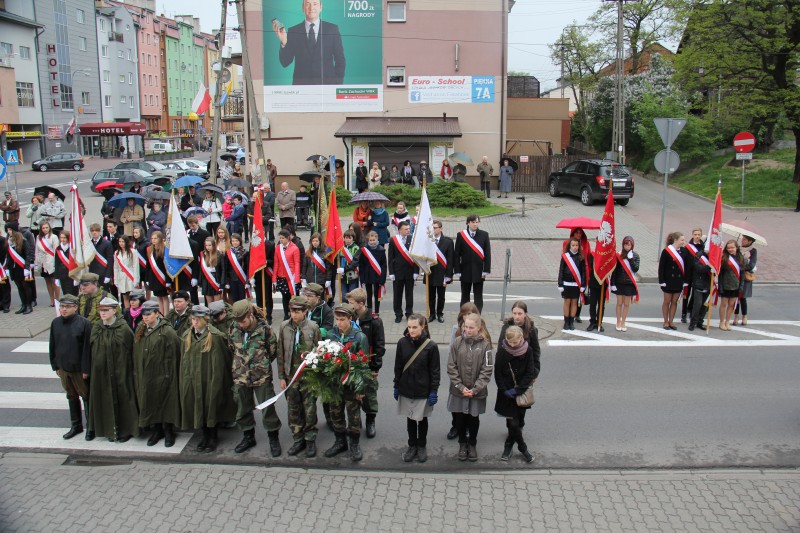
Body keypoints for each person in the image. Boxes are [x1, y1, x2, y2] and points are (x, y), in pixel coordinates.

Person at [228, 300, 283, 457]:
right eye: (238, 321)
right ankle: (248, 437)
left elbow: (272, 351)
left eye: (243, 321)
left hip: (261, 377)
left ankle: (273, 438)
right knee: (243, 407)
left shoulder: (264, 329)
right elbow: (231, 347)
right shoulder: (233, 327)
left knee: (267, 407)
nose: (241, 325)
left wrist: (260, 365)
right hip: (240, 376)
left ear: (250, 315)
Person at [180, 304, 236, 452]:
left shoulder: (216, 337)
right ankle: (204, 436)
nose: (195, 322)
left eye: (198, 320)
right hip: (194, 379)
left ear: (206, 320)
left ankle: (213, 437)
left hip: (210, 378)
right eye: (193, 319)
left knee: (211, 407)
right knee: (198, 407)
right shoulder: (187, 336)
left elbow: (222, 362)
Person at [88, 297, 139, 442]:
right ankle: (109, 430)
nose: (103, 313)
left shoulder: (123, 328)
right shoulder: (97, 328)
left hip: (121, 370)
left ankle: (126, 430)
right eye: (101, 310)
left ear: (114, 310)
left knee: (124, 399)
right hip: (102, 372)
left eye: (106, 310)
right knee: (104, 400)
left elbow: (132, 350)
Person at [277, 295, 322, 457]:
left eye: (297, 311)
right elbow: (280, 352)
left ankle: (310, 439)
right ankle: (298, 438)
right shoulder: (284, 327)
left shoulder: (313, 328)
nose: (294, 315)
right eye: (292, 311)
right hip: (291, 376)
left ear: (305, 311)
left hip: (308, 377)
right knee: (293, 409)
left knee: (309, 409)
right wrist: (281, 376)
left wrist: (317, 377)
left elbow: (319, 352)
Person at [133, 300, 181, 448]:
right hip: (147, 373)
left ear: (157, 314)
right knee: (150, 401)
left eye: (149, 314)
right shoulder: (141, 329)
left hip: (164, 373)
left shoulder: (167, 331)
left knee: (166, 402)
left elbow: (175, 353)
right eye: (143, 314)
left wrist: (169, 373)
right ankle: (157, 430)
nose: (145, 317)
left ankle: (168, 431)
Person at [324, 303, 369, 461]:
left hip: (351, 385)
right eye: (337, 319)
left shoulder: (359, 337)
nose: (339, 323)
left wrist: (360, 389)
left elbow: (364, 365)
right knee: (335, 414)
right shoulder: (331, 335)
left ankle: (354, 444)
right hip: (335, 385)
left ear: (350, 319)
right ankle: (340, 442)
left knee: (353, 416)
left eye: (342, 319)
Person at [447, 312, 493, 462]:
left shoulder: (486, 345)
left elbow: (487, 369)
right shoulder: (457, 343)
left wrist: (475, 389)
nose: (467, 330)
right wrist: (460, 387)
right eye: (465, 327)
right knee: (460, 419)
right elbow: (451, 366)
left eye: (471, 327)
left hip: (476, 392)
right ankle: (462, 444)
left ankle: (472, 444)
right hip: (459, 391)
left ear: (479, 328)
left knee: (474, 418)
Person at [394, 313, 439, 463]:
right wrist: (396, 385)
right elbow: (398, 367)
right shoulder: (402, 343)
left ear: (422, 326)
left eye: (415, 327)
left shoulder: (431, 346)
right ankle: (412, 445)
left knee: (422, 420)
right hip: (406, 388)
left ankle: (422, 446)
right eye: (409, 327)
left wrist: (433, 391)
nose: (411, 330)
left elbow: (435, 371)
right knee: (410, 419)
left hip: (423, 390)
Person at [49, 294, 93, 440]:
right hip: (63, 368)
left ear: (75, 307)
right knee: (71, 396)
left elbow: (87, 349)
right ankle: (76, 425)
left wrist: (86, 369)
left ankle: (91, 427)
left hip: (79, 369)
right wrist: (55, 365)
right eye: (62, 306)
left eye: (67, 307)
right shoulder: (55, 323)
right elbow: (52, 345)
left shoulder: (84, 324)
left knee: (86, 396)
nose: (64, 309)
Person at [272, 0, 346, 85]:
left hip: (326, 86)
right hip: (301, 87)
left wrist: (336, 84)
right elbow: (285, 62)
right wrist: (284, 41)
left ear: (321, 7)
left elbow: (340, 60)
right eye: (308, 4)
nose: (311, 8)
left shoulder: (332, 29)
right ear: (303, 8)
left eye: (315, 4)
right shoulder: (293, 31)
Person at [493, 325, 539, 463]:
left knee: (518, 422)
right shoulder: (502, 352)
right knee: (512, 424)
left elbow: (529, 373)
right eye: (510, 342)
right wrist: (504, 390)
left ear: (521, 338)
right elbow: (498, 374)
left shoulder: (528, 350)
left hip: (521, 392)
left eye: (515, 342)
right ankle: (521, 448)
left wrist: (517, 390)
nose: (512, 345)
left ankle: (510, 442)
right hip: (507, 393)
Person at [453, 214, 491, 312]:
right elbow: (457, 254)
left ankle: (477, 315)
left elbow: (487, 253)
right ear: (468, 223)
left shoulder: (484, 235)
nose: (475, 224)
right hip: (465, 270)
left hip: (479, 271)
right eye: (473, 222)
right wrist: (457, 270)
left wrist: (486, 269)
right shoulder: (461, 235)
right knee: (465, 296)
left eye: (477, 222)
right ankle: (464, 314)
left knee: (478, 296)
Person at [658, 232, 690, 330]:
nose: (683, 242)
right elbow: (661, 267)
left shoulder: (684, 251)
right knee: (667, 301)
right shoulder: (666, 251)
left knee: (674, 302)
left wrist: (686, 280)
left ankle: (671, 321)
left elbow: (687, 266)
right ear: (676, 240)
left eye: (684, 240)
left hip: (678, 281)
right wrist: (662, 281)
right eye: (682, 240)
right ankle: (665, 321)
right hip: (668, 280)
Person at [388, 220, 418, 323]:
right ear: (400, 230)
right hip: (398, 272)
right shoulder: (393, 240)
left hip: (410, 272)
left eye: (409, 229)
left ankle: (409, 313)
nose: (408, 231)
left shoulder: (412, 239)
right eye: (406, 229)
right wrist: (391, 272)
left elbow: (416, 257)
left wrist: (416, 271)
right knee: (397, 295)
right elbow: (390, 257)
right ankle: (398, 314)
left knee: (409, 295)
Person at [611, 236, 640, 332]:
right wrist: (612, 283)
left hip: (629, 283)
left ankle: (623, 322)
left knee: (626, 304)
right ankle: (618, 321)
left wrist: (631, 260)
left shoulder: (635, 256)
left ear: (632, 245)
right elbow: (614, 270)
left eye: (629, 245)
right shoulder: (618, 255)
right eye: (625, 245)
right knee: (619, 303)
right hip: (619, 282)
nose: (627, 247)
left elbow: (635, 269)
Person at [5, 222, 35, 315]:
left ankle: (29, 306)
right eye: (7, 230)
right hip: (14, 268)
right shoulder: (9, 241)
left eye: (10, 230)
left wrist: (27, 268)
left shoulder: (23, 240)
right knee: (19, 287)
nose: (8, 232)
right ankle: (23, 305)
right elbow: (8, 256)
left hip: (22, 267)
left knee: (26, 286)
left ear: (14, 230)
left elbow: (28, 255)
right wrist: (7, 268)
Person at [562, 228, 591, 324]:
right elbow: (565, 256)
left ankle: (577, 315)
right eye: (577, 233)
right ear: (573, 233)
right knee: (569, 299)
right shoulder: (567, 242)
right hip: (570, 271)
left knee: (579, 296)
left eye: (580, 233)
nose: (578, 234)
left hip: (583, 271)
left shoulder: (586, 243)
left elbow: (588, 257)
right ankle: (568, 318)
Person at [557, 237, 587, 331]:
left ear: (579, 246)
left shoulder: (581, 257)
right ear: (570, 246)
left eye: (577, 245)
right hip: (566, 283)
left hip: (576, 284)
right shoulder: (565, 257)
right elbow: (561, 271)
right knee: (567, 302)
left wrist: (583, 284)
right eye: (573, 245)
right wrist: (560, 284)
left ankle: (571, 321)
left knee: (574, 302)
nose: (575, 247)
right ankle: (566, 322)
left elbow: (583, 272)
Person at [428, 220, 454, 323]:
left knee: (441, 296)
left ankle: (440, 314)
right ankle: (432, 314)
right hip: (430, 272)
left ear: (441, 228)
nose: (433, 230)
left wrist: (448, 275)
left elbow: (450, 260)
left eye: (435, 228)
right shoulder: (428, 240)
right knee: (431, 295)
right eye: (432, 228)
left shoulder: (448, 241)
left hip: (442, 274)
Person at [273, 228, 302, 320]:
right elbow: (276, 263)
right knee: (285, 297)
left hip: (291, 277)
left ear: (288, 238)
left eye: (283, 238)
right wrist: (274, 278)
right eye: (280, 238)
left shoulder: (295, 248)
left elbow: (297, 263)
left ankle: (295, 314)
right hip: (281, 276)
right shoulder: (278, 248)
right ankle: (286, 314)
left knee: (293, 297)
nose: (281, 240)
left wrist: (297, 278)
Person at [718, 239, 745, 331]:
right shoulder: (724, 258)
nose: (730, 249)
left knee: (731, 304)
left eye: (732, 247)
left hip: (736, 285)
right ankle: (722, 322)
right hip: (725, 285)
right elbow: (720, 274)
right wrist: (720, 286)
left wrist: (741, 286)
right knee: (723, 304)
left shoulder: (741, 258)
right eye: (728, 248)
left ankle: (727, 321)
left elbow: (742, 273)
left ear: (736, 248)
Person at [359, 231, 386, 313]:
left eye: (374, 240)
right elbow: (361, 264)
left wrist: (383, 279)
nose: (372, 242)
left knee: (377, 295)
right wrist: (362, 277)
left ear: (377, 239)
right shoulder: (365, 250)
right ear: (368, 240)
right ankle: (370, 311)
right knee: (369, 294)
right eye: (370, 240)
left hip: (377, 275)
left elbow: (384, 265)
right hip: (368, 275)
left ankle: (377, 312)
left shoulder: (381, 250)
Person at [681, 228, 705, 323]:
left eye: (699, 234)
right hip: (688, 274)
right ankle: (684, 314)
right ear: (692, 235)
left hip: (698, 275)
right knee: (686, 295)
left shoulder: (703, 247)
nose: (697, 236)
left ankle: (691, 311)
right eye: (695, 234)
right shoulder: (687, 247)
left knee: (695, 295)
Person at [734, 234, 758, 326]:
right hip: (736, 275)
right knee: (736, 296)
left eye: (744, 239)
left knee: (743, 297)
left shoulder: (753, 251)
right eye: (742, 239)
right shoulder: (738, 249)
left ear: (750, 241)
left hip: (745, 276)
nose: (742, 240)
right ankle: (736, 315)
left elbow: (751, 265)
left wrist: (741, 267)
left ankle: (744, 316)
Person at [145, 231, 170, 315]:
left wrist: (168, 280)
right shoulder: (149, 250)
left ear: (160, 239)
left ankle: (166, 314)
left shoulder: (164, 249)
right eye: (152, 238)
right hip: (153, 276)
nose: (153, 240)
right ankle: (161, 314)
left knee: (164, 296)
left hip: (162, 276)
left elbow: (166, 266)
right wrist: (147, 278)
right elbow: (148, 265)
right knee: (158, 296)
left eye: (155, 238)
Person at [35, 221, 60, 306]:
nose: (45, 229)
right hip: (43, 262)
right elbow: (37, 250)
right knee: (47, 281)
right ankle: (52, 300)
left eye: (47, 227)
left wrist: (56, 263)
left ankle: (57, 299)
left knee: (54, 281)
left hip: (51, 261)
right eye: (43, 228)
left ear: (49, 228)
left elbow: (56, 251)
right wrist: (37, 262)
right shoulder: (38, 237)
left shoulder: (54, 237)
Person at [687, 249, 712, 332]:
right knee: (697, 305)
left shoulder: (714, 257)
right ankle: (693, 323)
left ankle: (700, 322)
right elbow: (700, 269)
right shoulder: (698, 256)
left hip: (708, 285)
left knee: (704, 306)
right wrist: (710, 266)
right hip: (699, 284)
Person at [585, 250, 609, 332]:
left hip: (603, 283)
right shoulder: (592, 255)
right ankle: (592, 322)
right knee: (593, 304)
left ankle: (599, 322)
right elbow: (592, 266)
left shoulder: (607, 254)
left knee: (601, 304)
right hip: (593, 282)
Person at [112, 235, 138, 308]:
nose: (121, 243)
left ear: (126, 242)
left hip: (130, 276)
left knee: (132, 297)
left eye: (123, 241)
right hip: (121, 276)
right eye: (120, 241)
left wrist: (136, 279)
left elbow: (135, 266)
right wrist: (116, 280)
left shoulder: (133, 251)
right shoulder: (117, 253)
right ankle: (127, 312)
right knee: (124, 296)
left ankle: (133, 312)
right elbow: (116, 267)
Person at [88, 223, 115, 292]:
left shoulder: (107, 243)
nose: (94, 232)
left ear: (100, 231)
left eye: (96, 230)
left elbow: (110, 260)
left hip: (103, 273)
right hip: (92, 273)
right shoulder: (89, 243)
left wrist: (108, 275)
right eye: (92, 231)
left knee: (104, 293)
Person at [224, 233, 250, 302]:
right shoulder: (228, 253)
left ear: (240, 241)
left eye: (236, 241)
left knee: (242, 299)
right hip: (232, 279)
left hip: (242, 279)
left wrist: (247, 281)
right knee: (234, 299)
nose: (235, 243)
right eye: (233, 241)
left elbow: (248, 268)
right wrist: (227, 282)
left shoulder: (245, 252)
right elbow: (226, 268)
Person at [199, 237, 224, 305]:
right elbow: (201, 269)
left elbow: (223, 270)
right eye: (206, 245)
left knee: (217, 304)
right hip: (206, 280)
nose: (208, 247)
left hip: (216, 279)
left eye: (210, 245)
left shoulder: (219, 254)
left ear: (214, 245)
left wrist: (222, 283)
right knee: (209, 303)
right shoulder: (203, 254)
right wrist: (200, 281)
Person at [53, 230, 77, 297]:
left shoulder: (72, 248)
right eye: (61, 238)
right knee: (65, 293)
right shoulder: (58, 249)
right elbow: (57, 263)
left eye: (64, 238)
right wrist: (56, 277)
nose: (62, 239)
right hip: (62, 275)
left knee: (73, 293)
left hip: (72, 274)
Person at [339, 230, 361, 299]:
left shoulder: (356, 248)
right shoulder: (341, 248)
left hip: (353, 276)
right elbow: (339, 260)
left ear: (353, 238)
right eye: (346, 238)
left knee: (352, 296)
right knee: (344, 297)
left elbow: (355, 263)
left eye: (350, 238)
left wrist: (344, 269)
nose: (348, 240)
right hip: (343, 276)